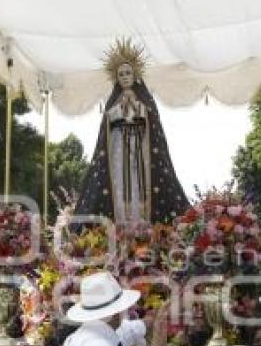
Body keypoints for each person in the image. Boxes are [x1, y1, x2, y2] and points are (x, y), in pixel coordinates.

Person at [74, 38, 189, 224]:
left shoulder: (144, 99)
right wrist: (120, 109)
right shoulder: (114, 100)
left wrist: (135, 105)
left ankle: (143, 225)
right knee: (120, 182)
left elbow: (151, 121)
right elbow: (107, 124)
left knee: (140, 181)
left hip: (141, 148)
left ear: (135, 74)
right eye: (121, 74)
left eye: (128, 73)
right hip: (119, 148)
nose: (125, 77)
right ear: (116, 78)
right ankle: (122, 224)